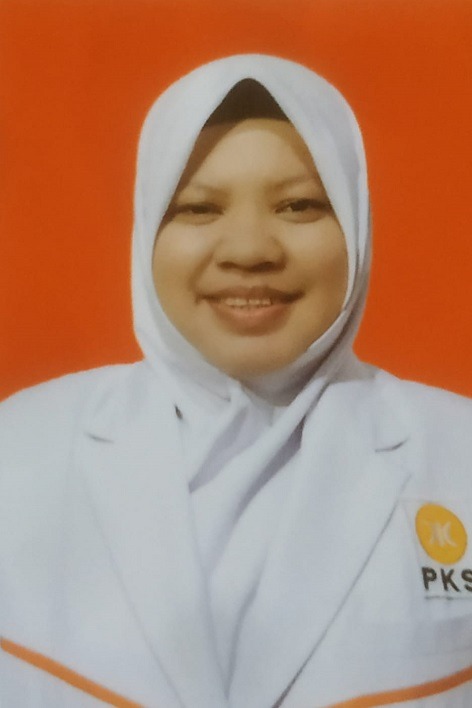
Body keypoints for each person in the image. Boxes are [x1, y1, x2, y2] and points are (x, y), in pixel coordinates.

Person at [0, 54, 471, 708]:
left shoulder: (459, 452)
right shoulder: (19, 451)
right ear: (146, 230)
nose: (249, 249)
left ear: (356, 224)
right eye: (198, 208)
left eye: (299, 205)